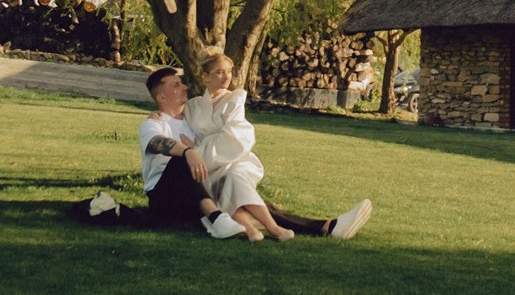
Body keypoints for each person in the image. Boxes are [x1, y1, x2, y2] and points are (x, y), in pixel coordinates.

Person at [184, 50, 371, 242]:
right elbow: (182, 131)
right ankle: (263, 229)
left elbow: (234, 137)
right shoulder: (192, 106)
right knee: (230, 184)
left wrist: (200, 149)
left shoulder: (234, 99)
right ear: (205, 77)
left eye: (229, 71)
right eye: (219, 72)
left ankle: (273, 228)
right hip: (205, 167)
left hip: (231, 158)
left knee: (233, 175)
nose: (226, 77)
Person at [134, 65, 249, 238]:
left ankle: (299, 225)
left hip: (197, 192)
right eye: (176, 85)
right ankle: (216, 219)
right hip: (165, 197)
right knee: (181, 160)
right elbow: (156, 142)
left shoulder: (193, 122)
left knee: (246, 198)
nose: (185, 87)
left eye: (181, 83)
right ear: (162, 97)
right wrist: (188, 151)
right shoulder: (153, 124)